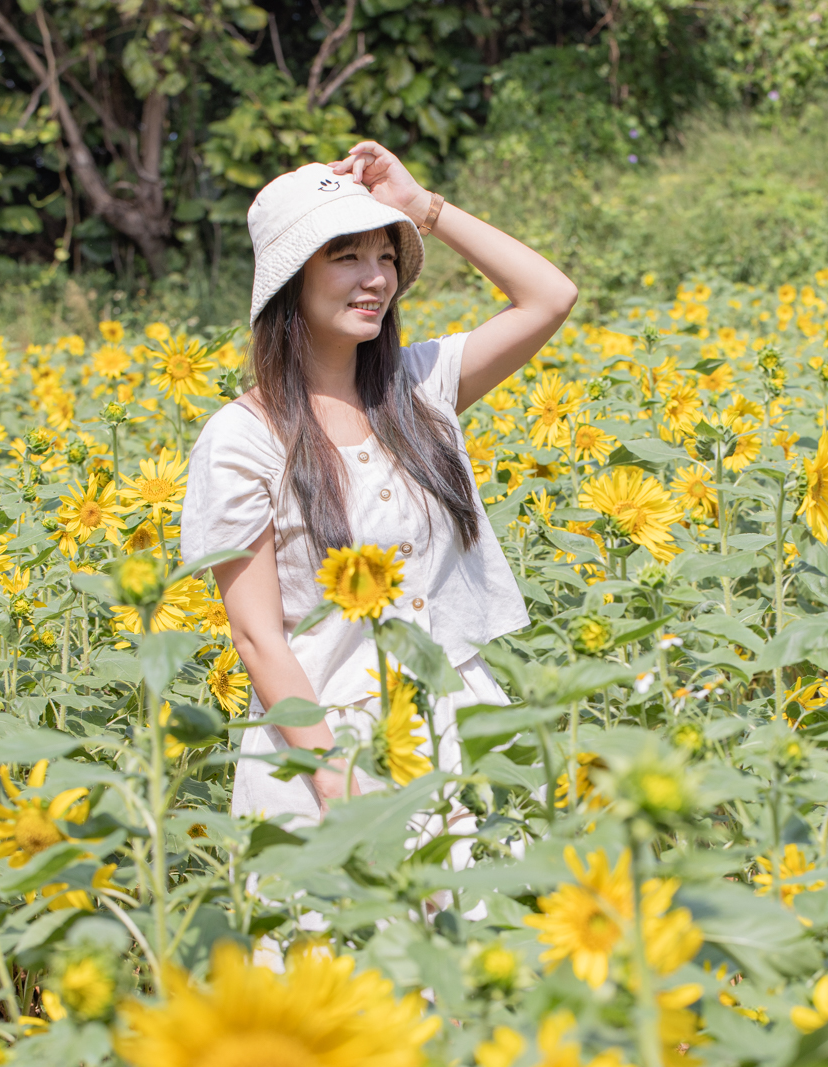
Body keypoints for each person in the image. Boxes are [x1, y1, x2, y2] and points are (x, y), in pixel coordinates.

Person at [180, 141, 577, 827]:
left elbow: (550, 296)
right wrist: (336, 778)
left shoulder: (419, 387)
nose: (376, 280)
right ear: (290, 278)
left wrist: (423, 208)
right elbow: (256, 638)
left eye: (386, 256)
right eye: (346, 256)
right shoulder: (243, 438)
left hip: (460, 732)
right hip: (329, 752)